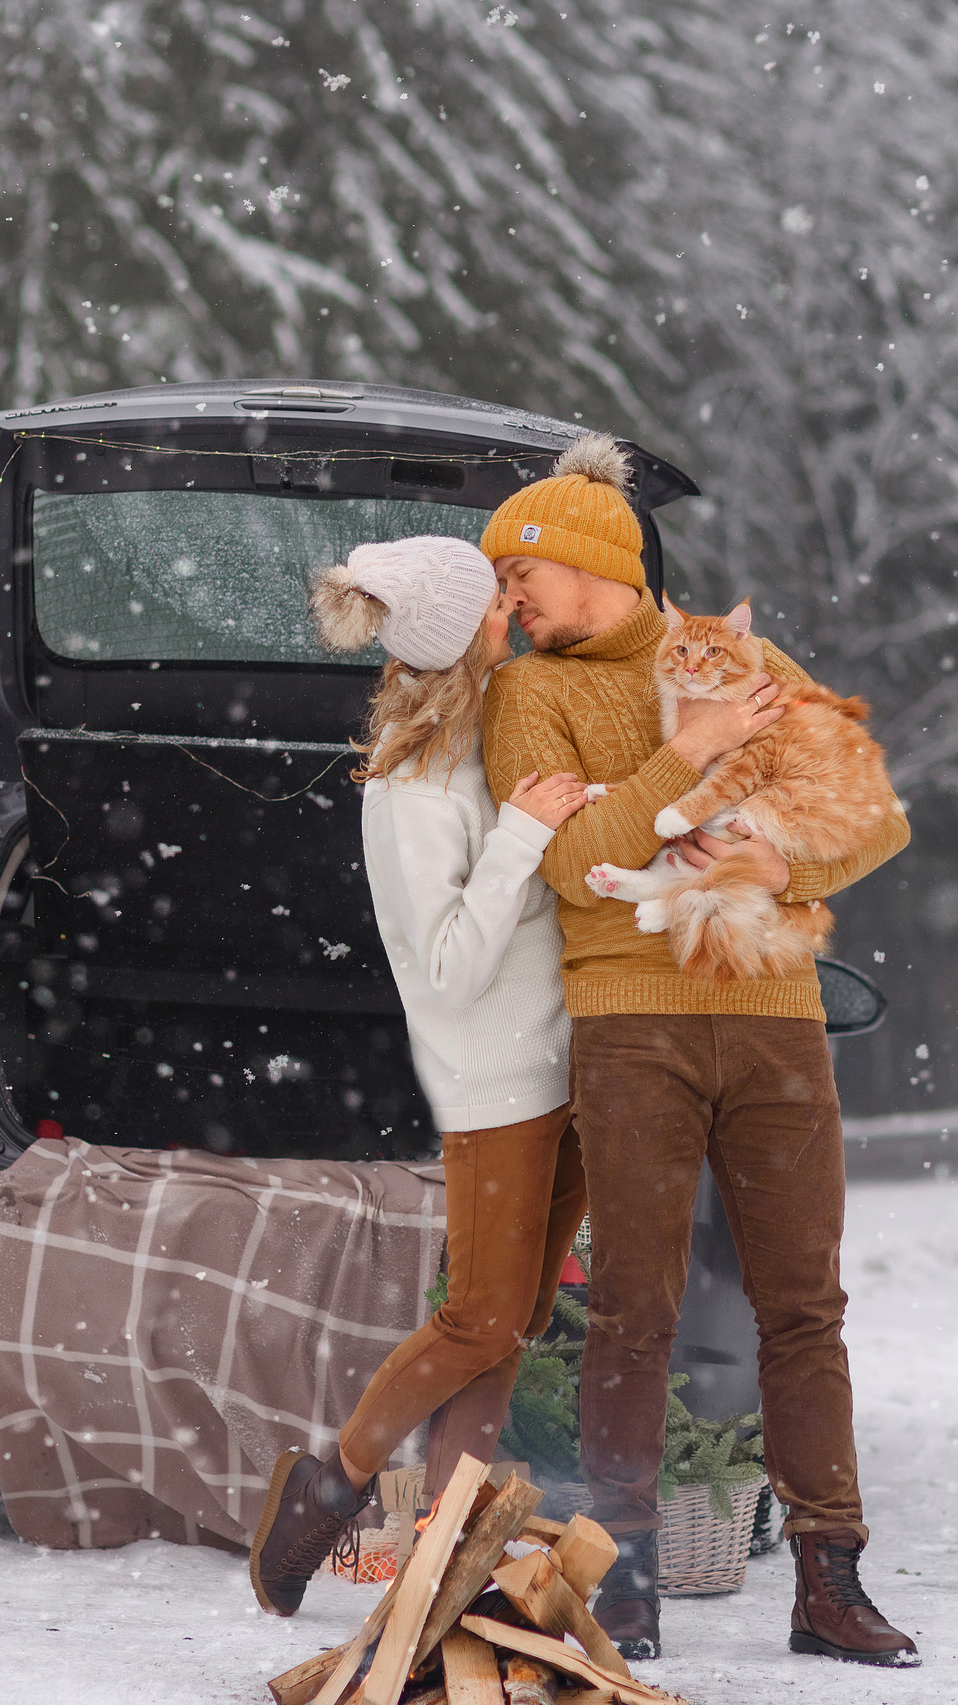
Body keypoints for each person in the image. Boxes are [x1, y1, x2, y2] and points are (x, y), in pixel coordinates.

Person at [479, 436, 921, 1667]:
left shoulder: (754, 662)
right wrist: (689, 747)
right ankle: (621, 1580)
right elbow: (570, 864)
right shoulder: (533, 695)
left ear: (588, 561)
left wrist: (790, 861)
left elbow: (875, 814)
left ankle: (829, 1581)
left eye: (523, 575)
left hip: (777, 1016)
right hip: (632, 1023)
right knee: (633, 1304)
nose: (511, 600)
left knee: (805, 1306)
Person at [246, 534, 596, 1618]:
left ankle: (445, 1546)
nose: (518, 612)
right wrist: (524, 836)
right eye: (500, 601)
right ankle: (330, 1484)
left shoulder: (504, 735)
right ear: (464, 631)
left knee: (516, 1316)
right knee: (478, 1319)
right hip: (495, 1079)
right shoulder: (411, 789)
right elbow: (445, 971)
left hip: (574, 1065)